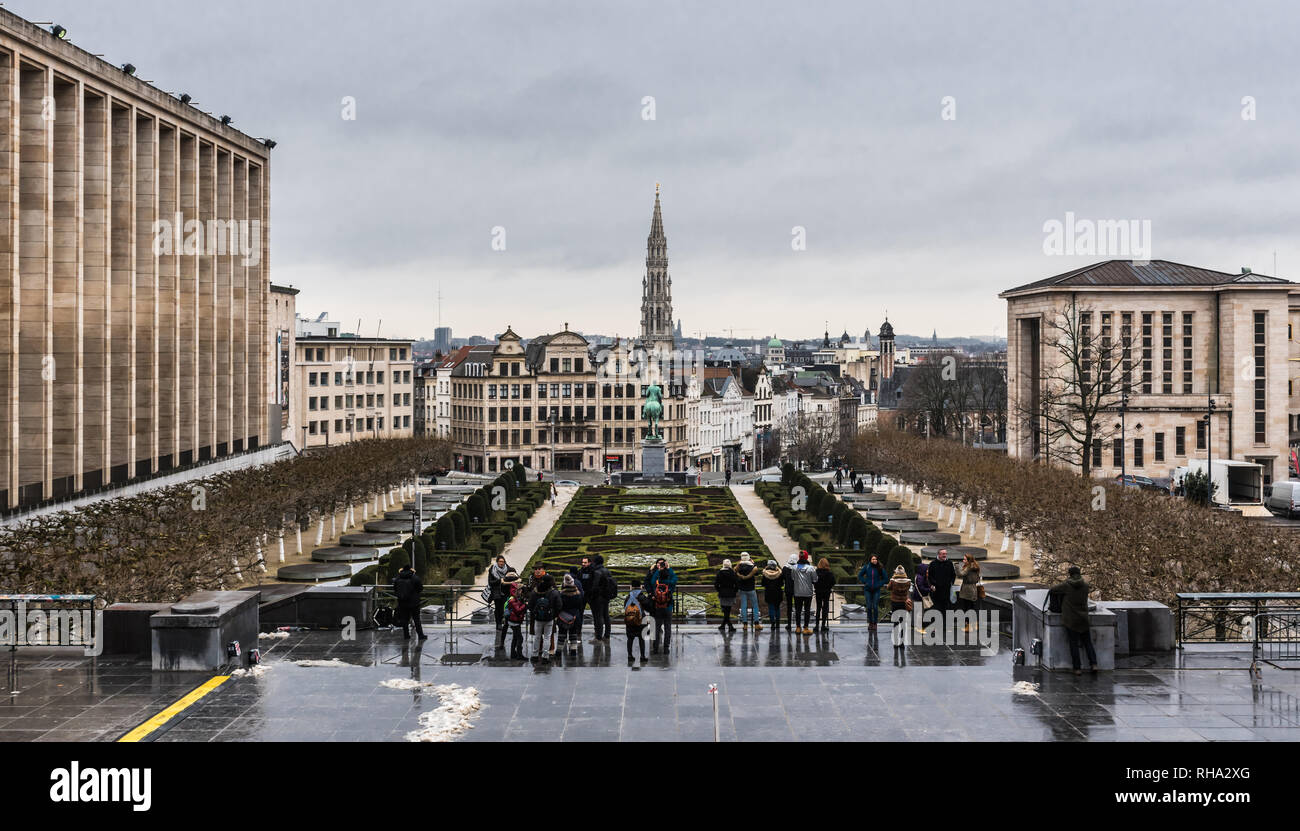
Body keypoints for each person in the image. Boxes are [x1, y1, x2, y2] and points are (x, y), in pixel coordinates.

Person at [1051, 566, 1098, 675]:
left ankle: (1077, 668)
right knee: (1088, 643)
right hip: (1083, 619)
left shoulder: (1066, 585)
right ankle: (1094, 664)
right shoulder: (1086, 586)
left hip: (1071, 620)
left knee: (1073, 645)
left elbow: (1053, 590)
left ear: (1070, 574)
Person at [646, 558, 678, 653]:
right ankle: (666, 648)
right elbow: (675, 579)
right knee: (668, 628)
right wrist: (669, 568)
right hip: (668, 606)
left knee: (656, 627)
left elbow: (652, 581)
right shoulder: (670, 581)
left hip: (658, 606)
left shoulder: (657, 581)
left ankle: (655, 648)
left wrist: (659, 569)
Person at [528, 571, 561, 662]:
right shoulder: (554, 592)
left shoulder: (535, 591)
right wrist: (554, 615)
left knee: (537, 636)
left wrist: (535, 613)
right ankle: (545, 656)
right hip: (549, 618)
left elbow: (530, 605)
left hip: (538, 618)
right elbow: (559, 606)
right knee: (547, 637)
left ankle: (534, 655)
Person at [392, 561, 426, 640]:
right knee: (416, 619)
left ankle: (406, 635)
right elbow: (420, 588)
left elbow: (395, 590)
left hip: (402, 602)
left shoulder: (397, 578)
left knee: (404, 620)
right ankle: (420, 635)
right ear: (411, 570)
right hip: (414, 603)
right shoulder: (415, 578)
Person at [588, 554, 615, 642]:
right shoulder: (607, 570)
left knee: (598, 616)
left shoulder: (597, 572)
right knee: (606, 615)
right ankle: (607, 635)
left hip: (598, 597)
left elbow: (595, 586)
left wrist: (591, 596)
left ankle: (598, 637)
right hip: (606, 596)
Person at [789, 551, 818, 635]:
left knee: (798, 610)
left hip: (797, 592)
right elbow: (815, 579)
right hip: (808, 593)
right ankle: (805, 628)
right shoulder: (811, 568)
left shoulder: (794, 568)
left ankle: (798, 627)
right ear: (806, 558)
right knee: (807, 610)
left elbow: (793, 578)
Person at [557, 573, 585, 655]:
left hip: (563, 617)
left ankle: (558, 652)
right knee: (573, 634)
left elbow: (559, 606)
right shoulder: (578, 594)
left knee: (561, 635)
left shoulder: (561, 594)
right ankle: (573, 651)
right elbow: (580, 606)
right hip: (575, 616)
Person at [857, 554, 887, 631]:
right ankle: (870, 623)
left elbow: (885, 578)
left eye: (876, 559)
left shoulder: (879, 568)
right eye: (873, 559)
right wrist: (865, 582)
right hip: (868, 590)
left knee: (875, 607)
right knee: (869, 607)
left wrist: (879, 584)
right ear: (870, 560)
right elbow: (860, 575)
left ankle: (875, 624)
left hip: (876, 590)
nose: (875, 560)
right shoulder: (866, 567)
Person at [887, 565, 912, 651]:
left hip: (895, 603)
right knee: (903, 623)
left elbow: (888, 588)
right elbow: (908, 589)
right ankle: (902, 643)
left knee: (895, 623)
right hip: (904, 603)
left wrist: (892, 578)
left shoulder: (893, 581)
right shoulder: (908, 582)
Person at [734, 552, 762, 630]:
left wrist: (738, 564)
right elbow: (757, 573)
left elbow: (734, 571)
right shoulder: (752, 566)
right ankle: (756, 624)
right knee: (755, 606)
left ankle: (745, 624)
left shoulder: (739, 566)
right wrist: (753, 563)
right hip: (751, 589)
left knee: (743, 606)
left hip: (742, 589)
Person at [488, 556, 511, 646]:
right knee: (498, 608)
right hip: (496, 592)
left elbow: (512, 577)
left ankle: (503, 621)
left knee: (504, 607)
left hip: (505, 592)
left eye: (503, 561)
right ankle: (498, 623)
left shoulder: (508, 569)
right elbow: (490, 582)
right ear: (497, 562)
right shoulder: (492, 569)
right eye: (500, 561)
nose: (501, 563)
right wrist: (499, 580)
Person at [623, 581, 648, 662]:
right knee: (641, 639)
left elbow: (625, 607)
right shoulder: (641, 596)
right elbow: (648, 606)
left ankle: (630, 656)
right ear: (640, 586)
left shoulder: (628, 596)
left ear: (631, 587)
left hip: (630, 620)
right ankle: (642, 656)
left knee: (630, 639)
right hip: (641, 620)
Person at [928, 548, 957, 614]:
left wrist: (951, 583)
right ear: (939, 554)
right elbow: (930, 576)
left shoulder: (949, 563)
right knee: (937, 607)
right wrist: (934, 584)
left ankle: (946, 622)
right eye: (943, 554)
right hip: (937, 591)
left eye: (946, 554)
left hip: (947, 590)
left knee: (946, 607)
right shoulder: (933, 564)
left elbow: (953, 575)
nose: (945, 555)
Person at [714, 559, 739, 633]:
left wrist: (719, 590)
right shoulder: (733, 573)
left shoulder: (719, 573)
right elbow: (737, 584)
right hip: (731, 593)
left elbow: (716, 584)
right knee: (727, 610)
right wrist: (734, 591)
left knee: (725, 611)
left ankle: (724, 625)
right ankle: (729, 626)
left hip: (722, 593)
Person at [505, 583, 528, 660]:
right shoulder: (513, 600)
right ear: (520, 590)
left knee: (515, 637)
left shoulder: (518, 598)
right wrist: (525, 605)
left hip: (516, 621)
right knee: (520, 638)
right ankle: (519, 655)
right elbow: (518, 610)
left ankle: (513, 654)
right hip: (514, 621)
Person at [957, 554, 982, 623]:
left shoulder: (968, 567)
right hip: (973, 589)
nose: (963, 560)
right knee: (971, 607)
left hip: (967, 590)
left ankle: (968, 624)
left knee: (967, 607)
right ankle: (971, 623)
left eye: (965, 559)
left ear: (969, 560)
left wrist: (956, 566)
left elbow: (960, 574)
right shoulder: (975, 567)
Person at [760, 559, 785, 629]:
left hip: (769, 593)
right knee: (777, 608)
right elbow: (782, 583)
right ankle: (777, 623)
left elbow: (762, 584)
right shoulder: (779, 573)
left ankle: (772, 623)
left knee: (771, 608)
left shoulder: (765, 574)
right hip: (778, 593)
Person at [814, 557, 835, 632]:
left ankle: (816, 626)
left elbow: (813, 581)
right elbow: (833, 582)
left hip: (818, 592)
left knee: (818, 608)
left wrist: (816, 587)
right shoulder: (829, 573)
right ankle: (823, 625)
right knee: (825, 608)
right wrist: (828, 587)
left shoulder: (816, 572)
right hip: (826, 592)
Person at [782, 554, 798, 631]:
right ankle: (798, 625)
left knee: (789, 607)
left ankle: (789, 624)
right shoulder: (798, 568)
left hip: (788, 589)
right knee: (798, 607)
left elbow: (783, 578)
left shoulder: (785, 568)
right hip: (797, 590)